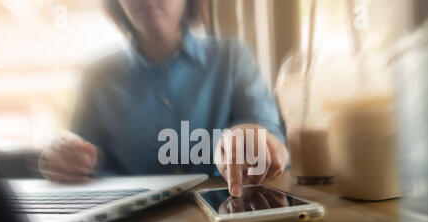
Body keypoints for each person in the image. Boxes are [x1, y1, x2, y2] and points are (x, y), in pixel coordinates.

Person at [38, 0, 289, 198]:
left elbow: (271, 137)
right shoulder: (96, 76)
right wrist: (63, 161)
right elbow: (80, 157)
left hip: (228, 212)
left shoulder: (232, 57)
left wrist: (260, 139)